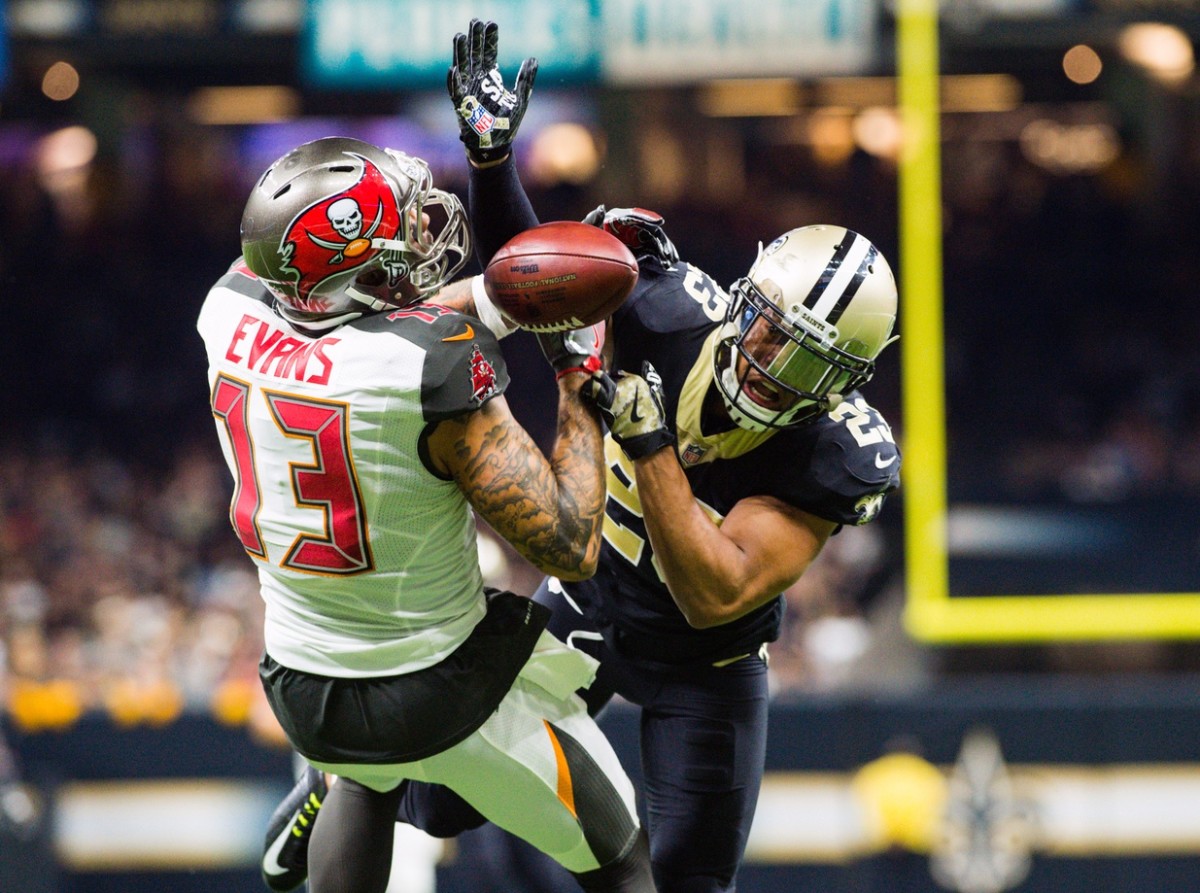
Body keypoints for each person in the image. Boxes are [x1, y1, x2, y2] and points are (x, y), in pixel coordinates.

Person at [262, 18, 902, 893]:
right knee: (438, 799)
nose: (765, 357)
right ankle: (342, 773)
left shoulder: (837, 452)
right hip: (592, 606)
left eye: (803, 359)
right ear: (745, 296)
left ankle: (350, 772)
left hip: (703, 665)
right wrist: (492, 161)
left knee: (687, 881)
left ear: (846, 381)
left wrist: (648, 445)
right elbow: (535, 279)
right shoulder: (670, 309)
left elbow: (715, 595)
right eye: (766, 326)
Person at [198, 133, 658, 893]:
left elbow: (355, 326)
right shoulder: (428, 364)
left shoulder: (230, 304)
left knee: (361, 775)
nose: (419, 235)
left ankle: (333, 783)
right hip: (437, 688)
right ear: (345, 268)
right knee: (621, 851)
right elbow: (571, 543)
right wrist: (578, 374)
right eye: (399, 229)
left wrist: (497, 300)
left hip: (303, 681)